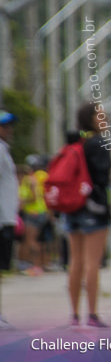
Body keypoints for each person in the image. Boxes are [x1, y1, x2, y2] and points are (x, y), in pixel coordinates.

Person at [65, 103, 111, 328]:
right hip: (94, 207)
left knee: (75, 261)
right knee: (92, 262)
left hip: (72, 206)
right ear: (92, 119)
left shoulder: (76, 142)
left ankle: (74, 315)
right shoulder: (100, 144)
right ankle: (92, 315)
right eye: (101, 116)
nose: (105, 119)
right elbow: (104, 179)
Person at [0, 110, 19, 329]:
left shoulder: (4, 149)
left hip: (6, 217)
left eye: (9, 126)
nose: (9, 130)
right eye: (5, 126)